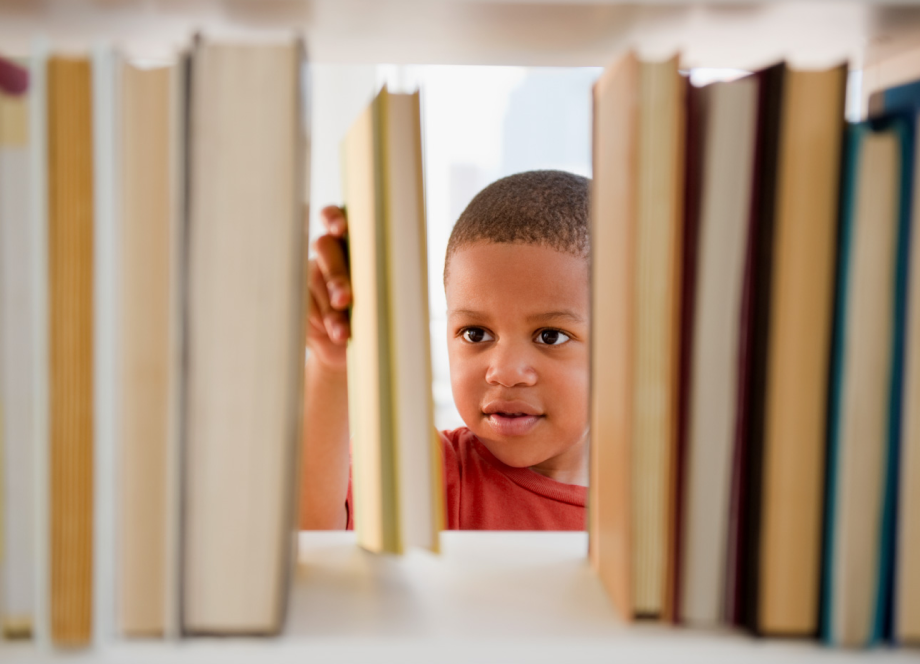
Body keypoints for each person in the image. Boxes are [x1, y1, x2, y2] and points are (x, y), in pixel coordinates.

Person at [301, 169, 590, 531]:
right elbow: (310, 532)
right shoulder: (427, 471)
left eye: (550, 336)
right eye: (475, 333)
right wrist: (331, 366)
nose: (503, 371)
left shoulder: (668, 503)